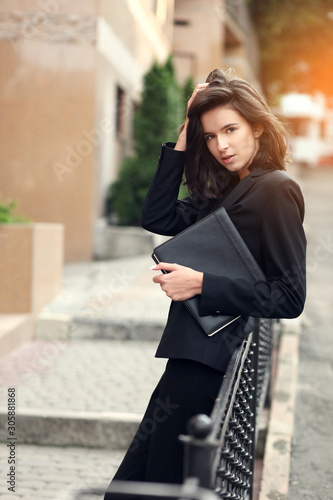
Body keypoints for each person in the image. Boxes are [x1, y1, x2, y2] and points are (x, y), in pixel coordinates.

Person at [104, 68, 306, 496]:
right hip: (190, 356)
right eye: (210, 136)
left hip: (209, 365)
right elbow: (157, 217)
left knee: (156, 485)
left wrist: (200, 284)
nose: (222, 145)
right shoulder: (226, 190)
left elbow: (289, 296)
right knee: (132, 487)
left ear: (257, 125)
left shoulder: (276, 191)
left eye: (230, 129)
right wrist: (183, 140)